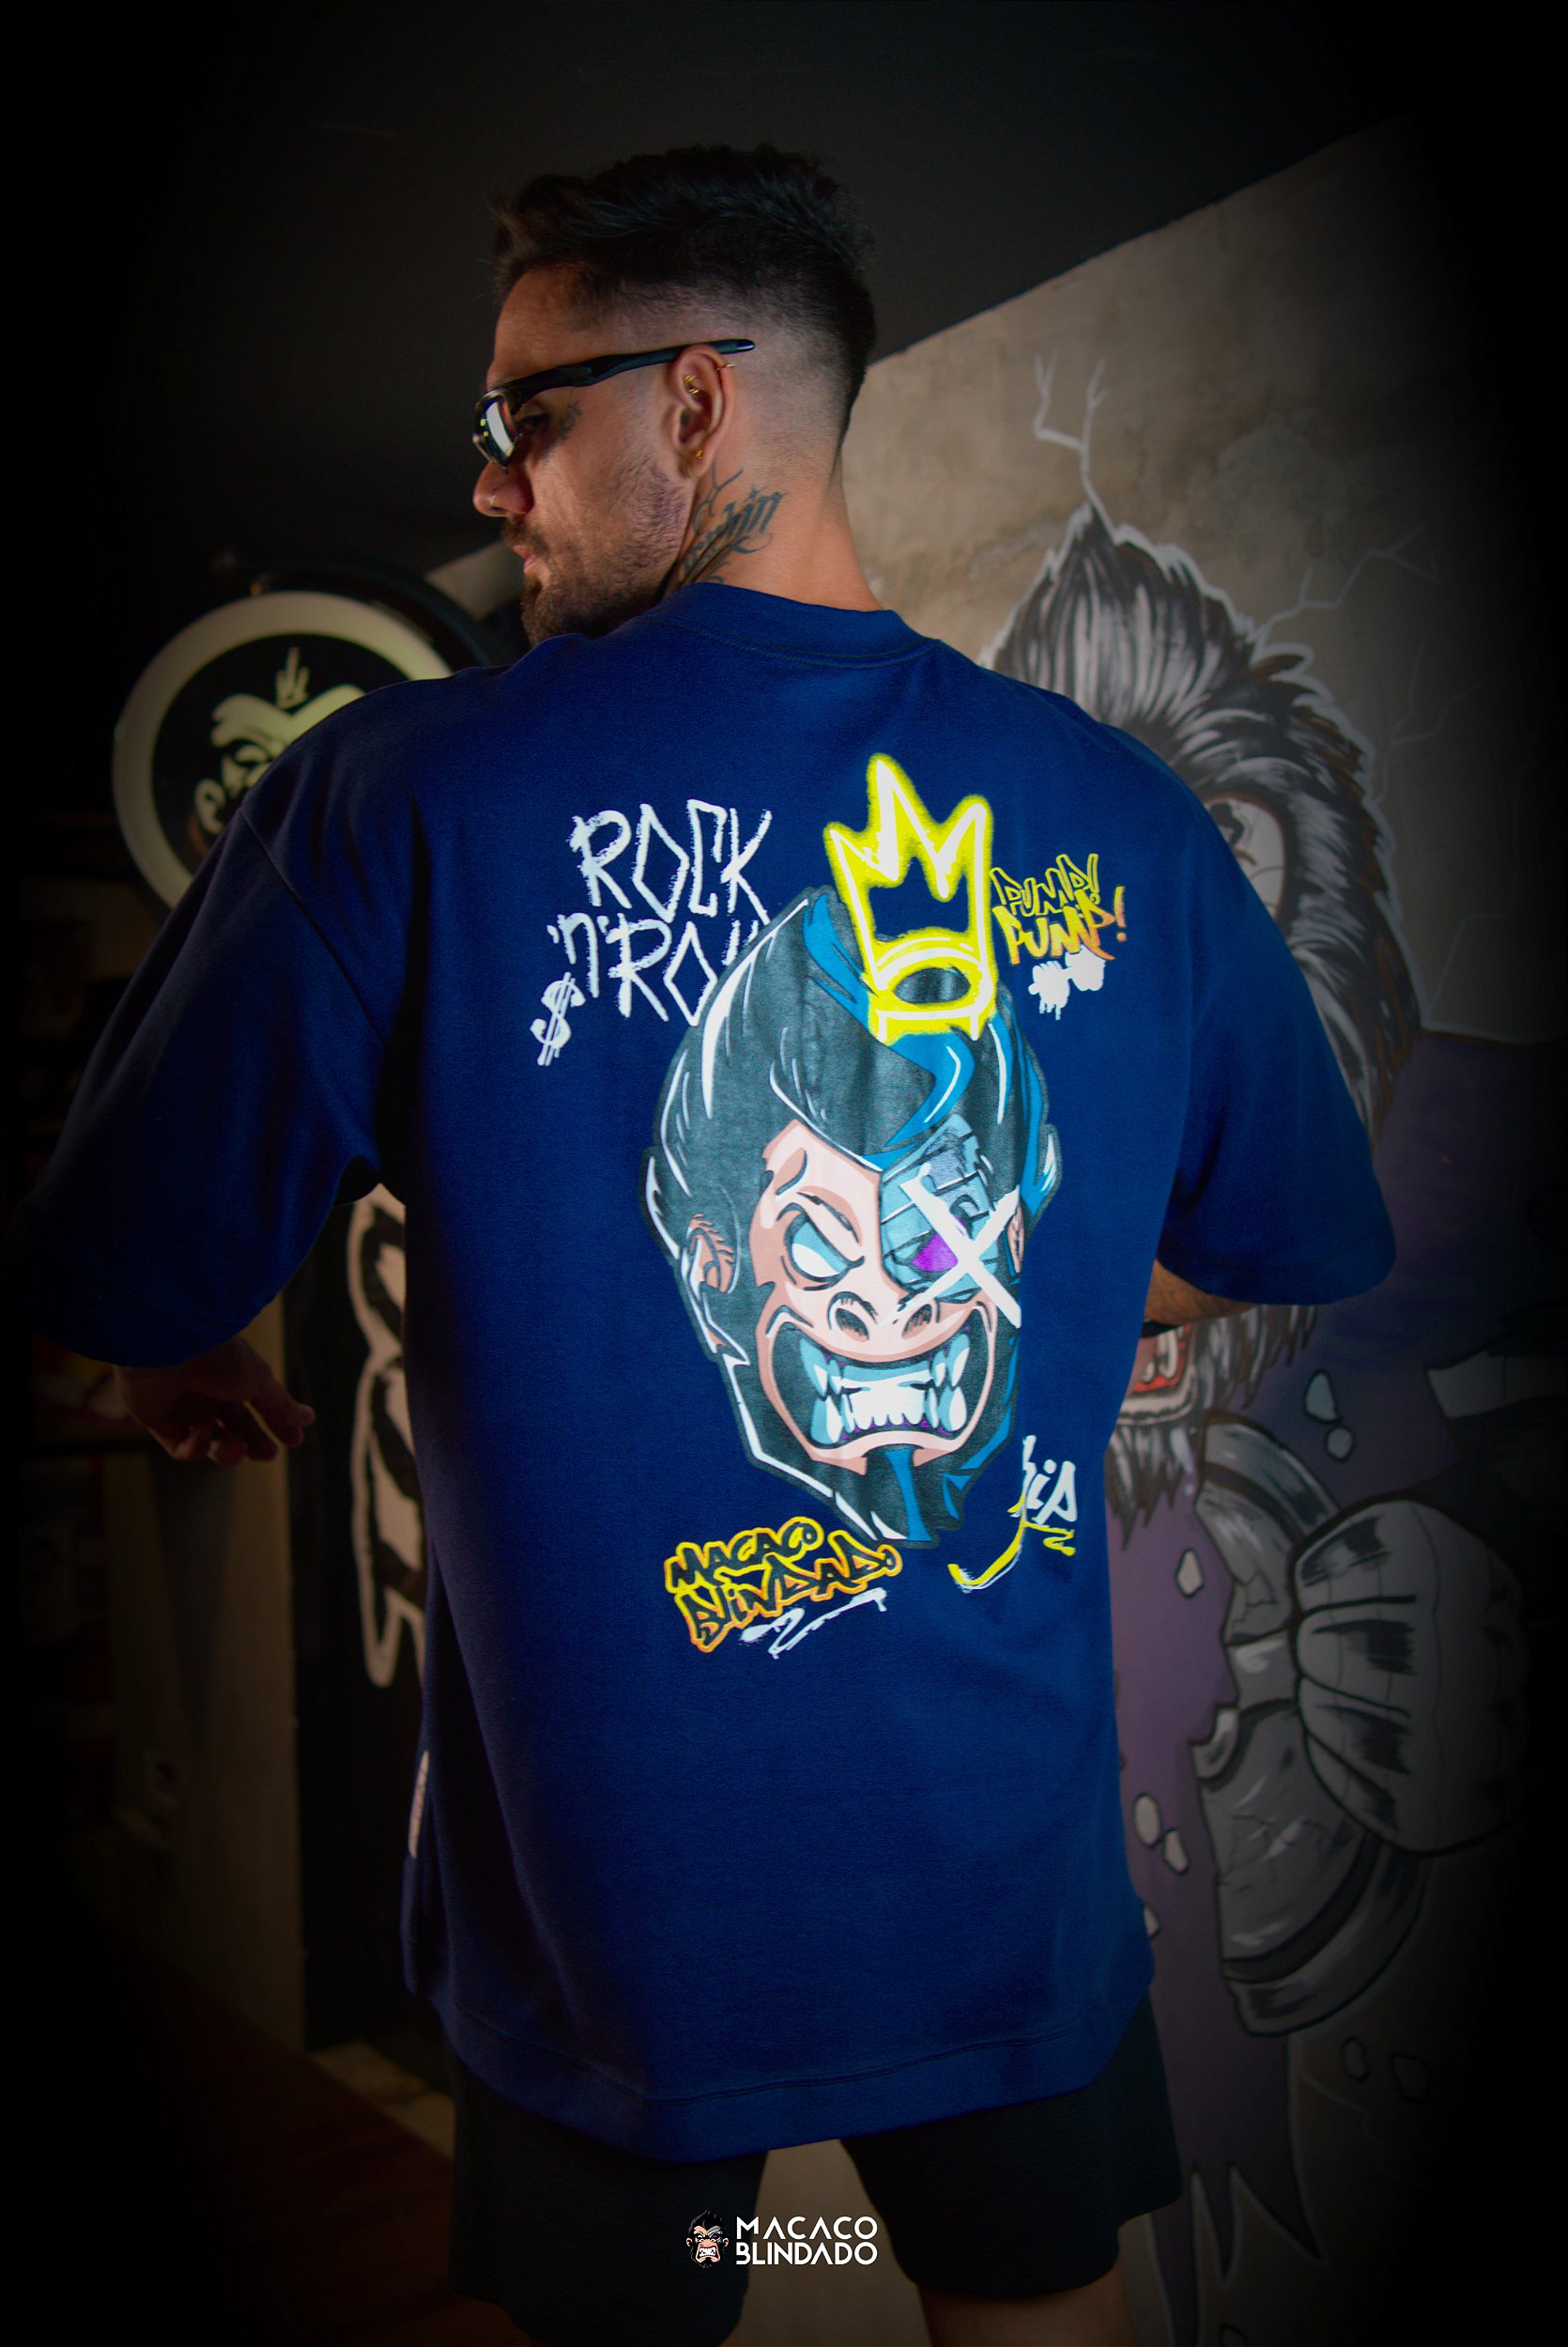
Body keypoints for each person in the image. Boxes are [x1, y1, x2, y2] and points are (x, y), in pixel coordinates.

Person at [8, 144, 1395, 2347]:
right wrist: (1028, 1300)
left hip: (615, 1907)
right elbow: (1244, 1238)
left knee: (658, 2296)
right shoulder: (1123, 819)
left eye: (522, 416)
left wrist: (185, 1350)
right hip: (998, 1876)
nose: (490, 482)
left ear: (690, 401)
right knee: (1024, 2294)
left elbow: (128, 1277)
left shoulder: (391, 794)